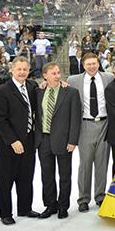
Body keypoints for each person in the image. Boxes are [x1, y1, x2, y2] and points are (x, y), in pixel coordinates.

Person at [0, 57, 39, 225]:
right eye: (19, 69)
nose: (22, 72)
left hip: (29, 140)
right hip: (8, 145)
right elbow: (0, 119)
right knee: (5, 180)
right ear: (12, 70)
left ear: (28, 70)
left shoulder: (32, 86)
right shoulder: (2, 90)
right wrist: (13, 141)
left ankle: (25, 208)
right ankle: (5, 213)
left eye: (25, 69)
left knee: (26, 177)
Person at [67, 52, 115, 213]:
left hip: (104, 124)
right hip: (85, 125)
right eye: (88, 64)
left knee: (102, 163)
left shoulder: (109, 77)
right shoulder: (73, 81)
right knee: (85, 163)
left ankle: (100, 196)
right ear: (83, 65)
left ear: (98, 63)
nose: (92, 66)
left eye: (94, 63)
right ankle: (83, 198)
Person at [35, 63, 82, 220]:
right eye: (53, 73)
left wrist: (72, 140)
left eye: (58, 72)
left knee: (64, 175)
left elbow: (75, 119)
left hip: (63, 140)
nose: (57, 76)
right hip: (44, 140)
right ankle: (50, 205)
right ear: (45, 76)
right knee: (47, 175)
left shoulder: (70, 92)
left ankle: (63, 206)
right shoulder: (38, 92)